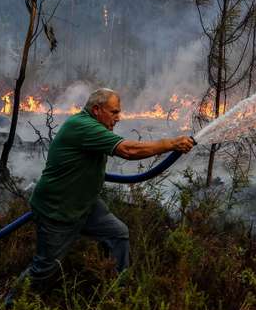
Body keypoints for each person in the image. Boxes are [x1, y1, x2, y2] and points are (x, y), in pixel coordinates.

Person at [13, 88, 194, 296]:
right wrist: (171, 143)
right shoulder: (82, 126)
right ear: (97, 110)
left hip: (85, 204)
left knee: (118, 233)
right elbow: (129, 150)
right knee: (43, 271)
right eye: (114, 112)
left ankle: (118, 293)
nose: (118, 118)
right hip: (59, 210)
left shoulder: (93, 126)